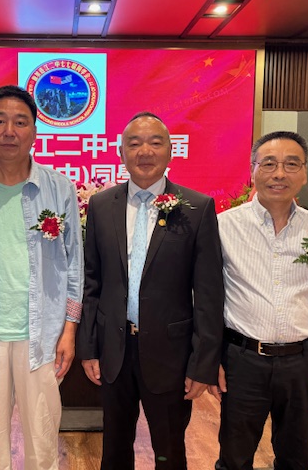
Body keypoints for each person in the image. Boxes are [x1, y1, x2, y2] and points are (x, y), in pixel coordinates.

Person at [0, 85, 83, 470]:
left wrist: (69, 329)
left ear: (35, 131)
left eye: (20, 122)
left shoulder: (59, 188)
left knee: (43, 436)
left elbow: (75, 266)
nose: (9, 131)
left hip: (43, 335)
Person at [77, 112, 225, 470]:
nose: (144, 151)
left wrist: (203, 364)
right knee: (114, 450)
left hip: (171, 355)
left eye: (155, 142)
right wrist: (89, 347)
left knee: (169, 451)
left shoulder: (197, 207)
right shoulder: (101, 205)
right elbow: (91, 282)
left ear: (171, 151)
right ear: (121, 152)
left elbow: (208, 293)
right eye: (134, 143)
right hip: (114, 351)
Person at [211, 131, 308, 470]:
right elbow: (205, 299)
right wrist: (208, 360)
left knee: (297, 459)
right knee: (233, 459)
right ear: (253, 170)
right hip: (242, 361)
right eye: (269, 164)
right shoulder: (223, 227)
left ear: (304, 173)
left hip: (303, 365)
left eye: (291, 164)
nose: (279, 174)